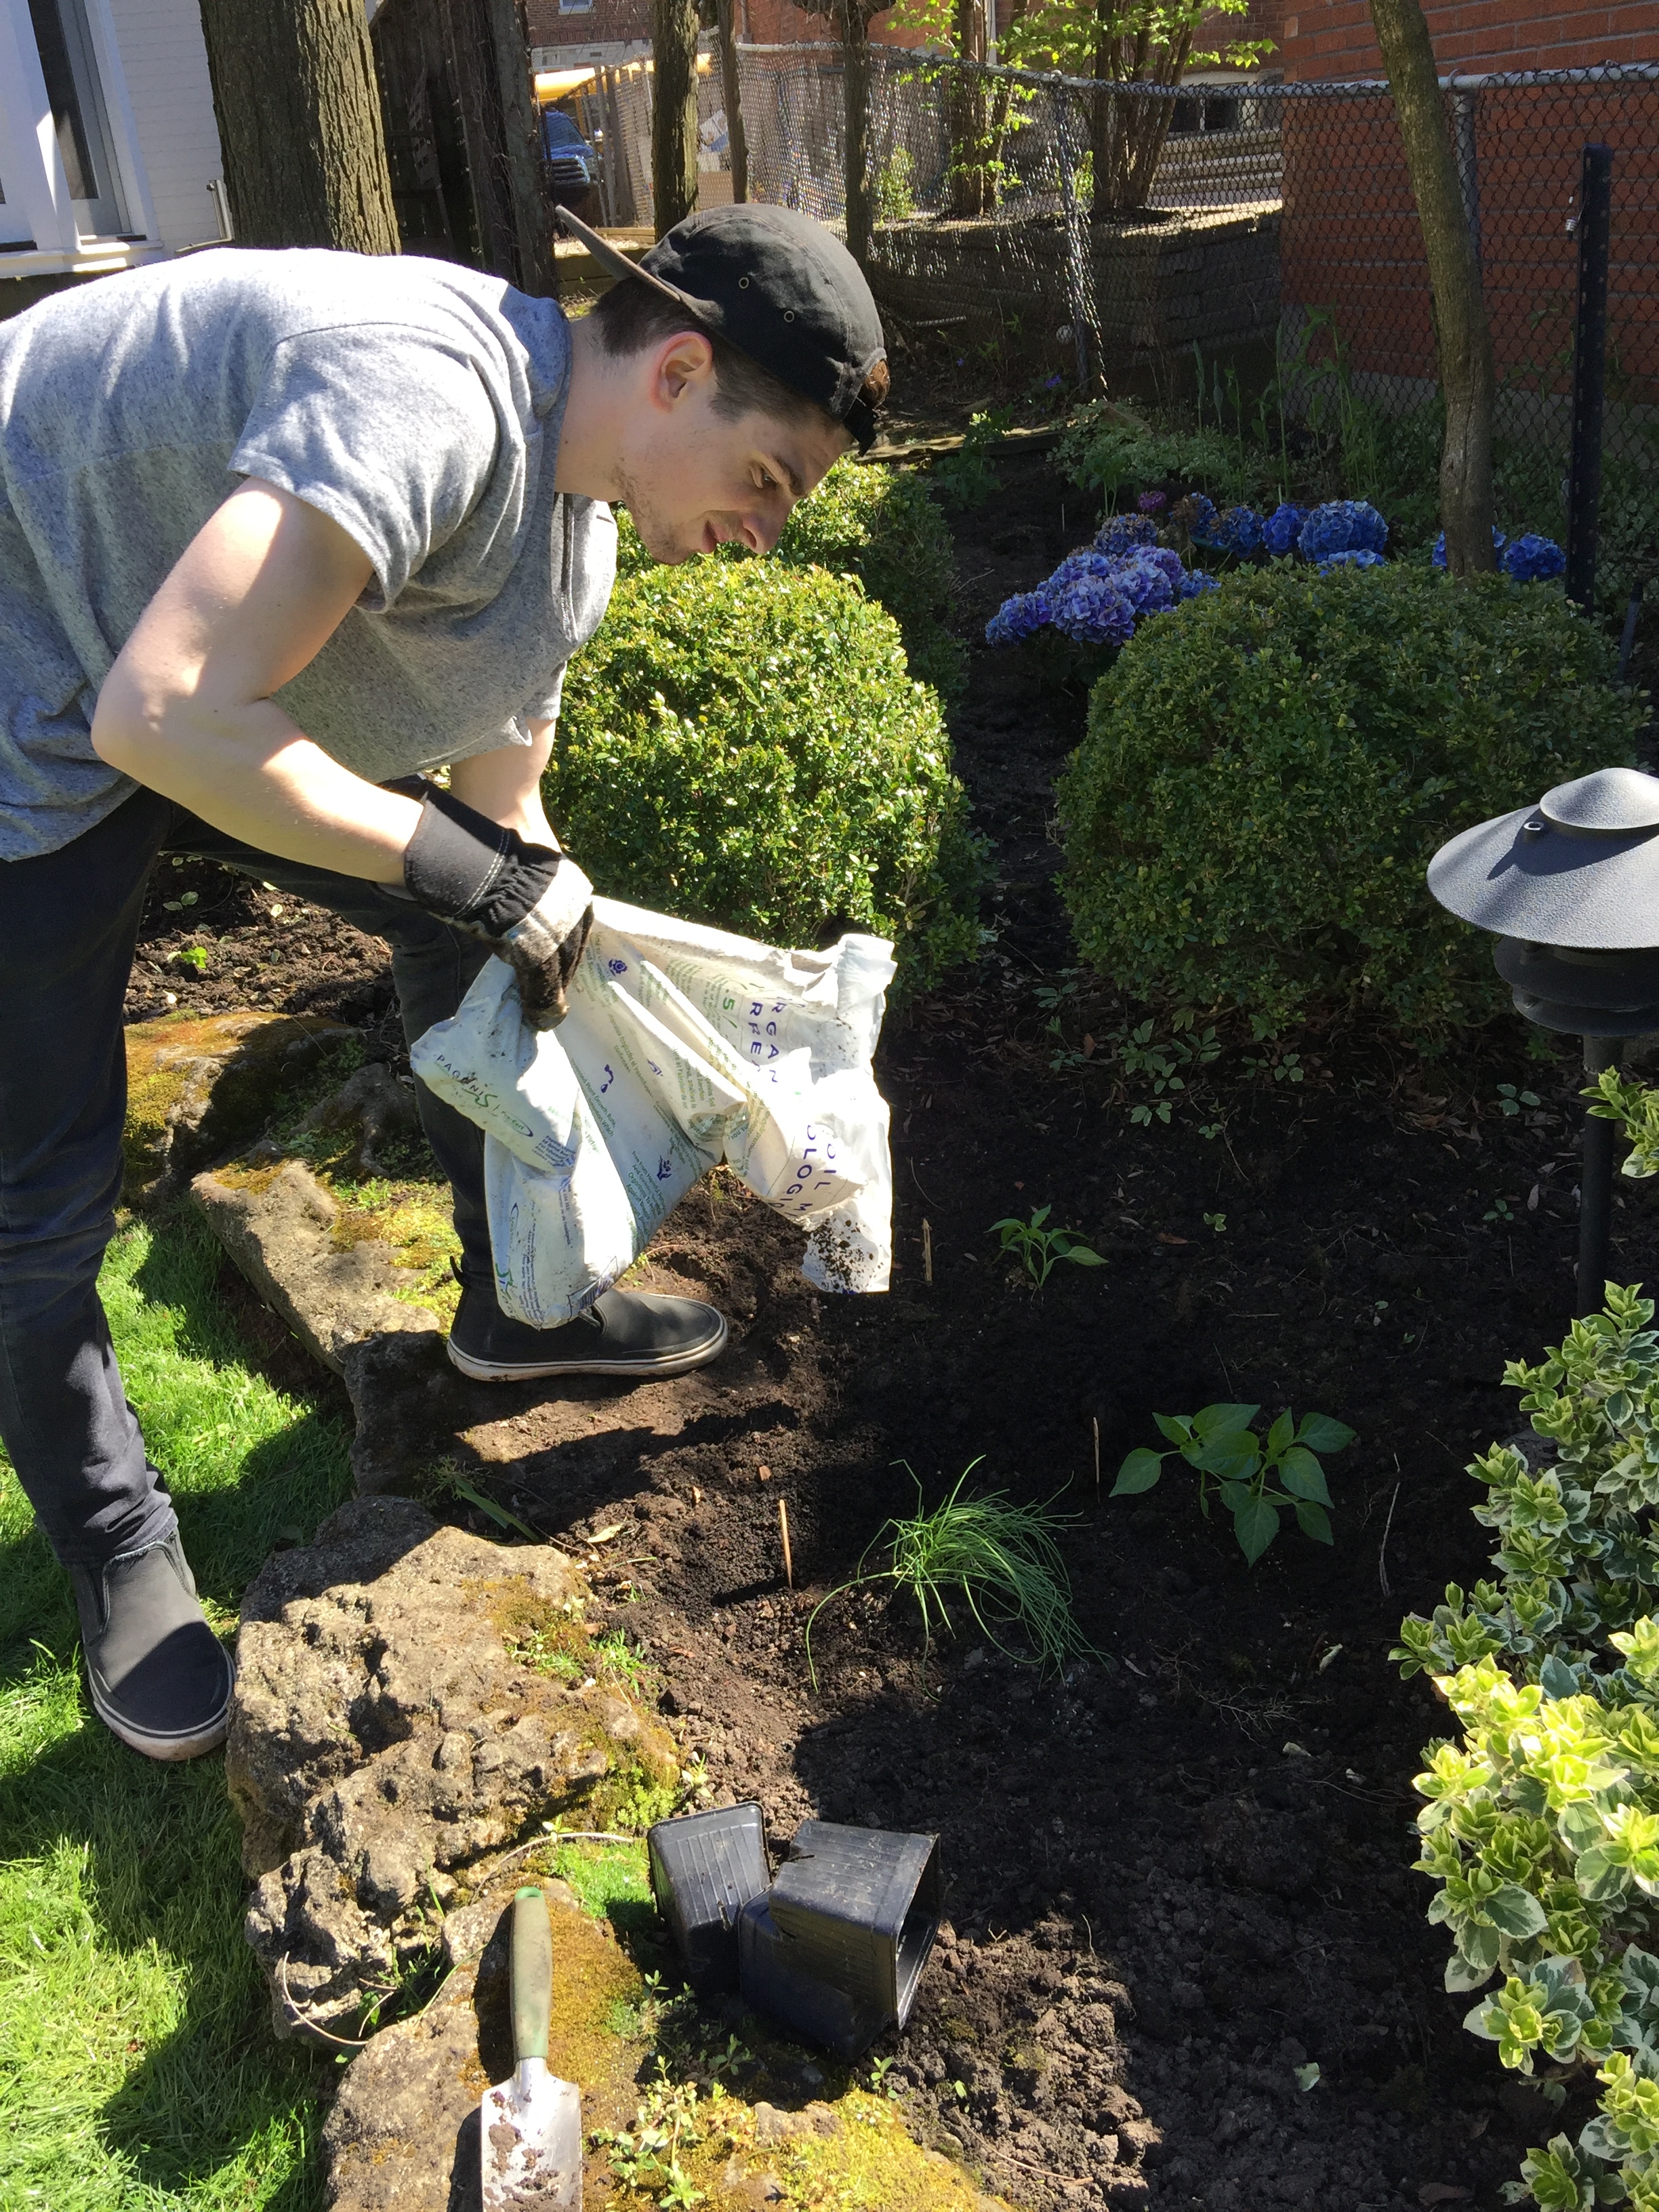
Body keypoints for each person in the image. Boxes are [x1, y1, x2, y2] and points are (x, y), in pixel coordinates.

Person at [0, 204, 889, 1764]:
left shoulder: (578, 539)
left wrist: (562, 923)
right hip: (27, 661)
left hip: (162, 670)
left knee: (478, 913)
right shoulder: (429, 393)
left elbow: (499, 830)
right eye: (773, 480)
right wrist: (473, 874)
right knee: (41, 1195)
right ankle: (118, 1541)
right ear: (679, 370)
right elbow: (161, 714)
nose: (773, 528)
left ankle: (521, 1296)